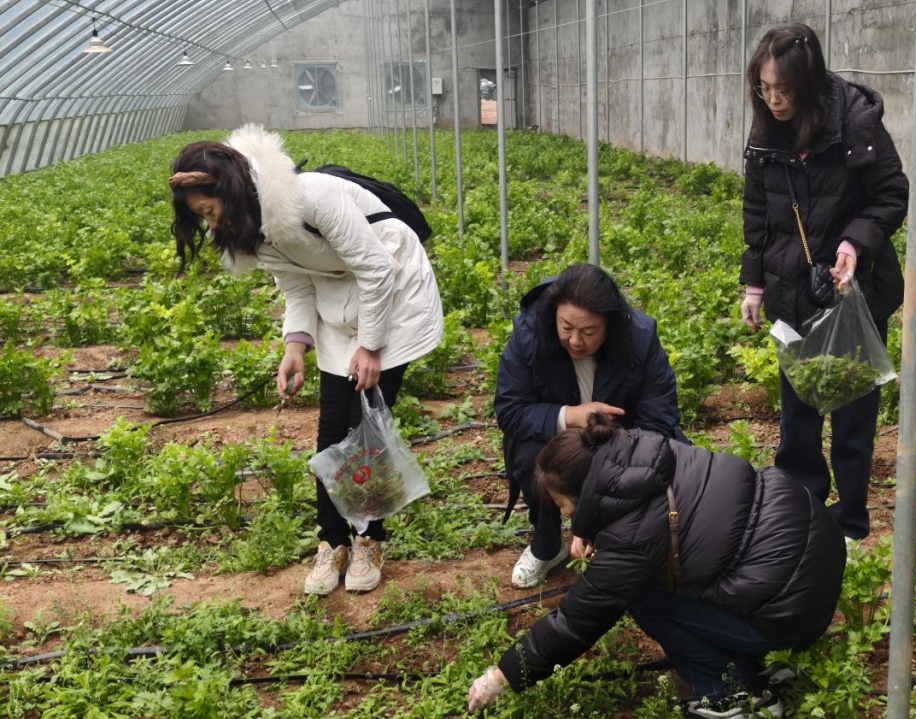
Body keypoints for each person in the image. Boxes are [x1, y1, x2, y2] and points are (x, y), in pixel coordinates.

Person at [169, 124, 444, 596]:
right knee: (332, 427)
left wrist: (370, 347)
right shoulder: (252, 228)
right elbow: (296, 285)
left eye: (210, 212)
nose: (211, 226)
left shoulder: (312, 196)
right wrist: (294, 347)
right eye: (202, 218)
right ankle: (331, 540)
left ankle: (369, 540)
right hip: (337, 294)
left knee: (366, 427)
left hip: (392, 287)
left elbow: (376, 269)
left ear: (230, 194)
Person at [467, 414, 845, 717]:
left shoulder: (631, 539)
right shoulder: (651, 452)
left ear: (582, 494)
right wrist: (593, 529)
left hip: (788, 619)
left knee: (644, 599)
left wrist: (501, 676)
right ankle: (758, 660)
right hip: (810, 578)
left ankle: (734, 695)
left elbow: (575, 622)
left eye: (562, 505)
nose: (564, 515)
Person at [738, 23, 909, 548]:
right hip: (791, 290)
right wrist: (754, 285)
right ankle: (801, 515)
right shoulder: (766, 132)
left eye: (783, 90)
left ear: (809, 83)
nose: (773, 100)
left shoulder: (856, 122)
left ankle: (851, 523)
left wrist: (854, 243)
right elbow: (758, 214)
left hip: (851, 291)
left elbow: (891, 193)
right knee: (798, 415)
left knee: (853, 417)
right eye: (764, 89)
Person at [494, 263, 687, 589]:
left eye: (588, 331)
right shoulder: (530, 334)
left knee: (673, 462)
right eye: (566, 327)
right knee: (529, 455)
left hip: (625, 440)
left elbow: (659, 419)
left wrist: (616, 449)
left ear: (610, 325)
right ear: (553, 314)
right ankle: (547, 544)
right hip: (558, 438)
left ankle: (623, 543)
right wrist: (571, 416)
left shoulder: (640, 339)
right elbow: (510, 410)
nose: (575, 340)